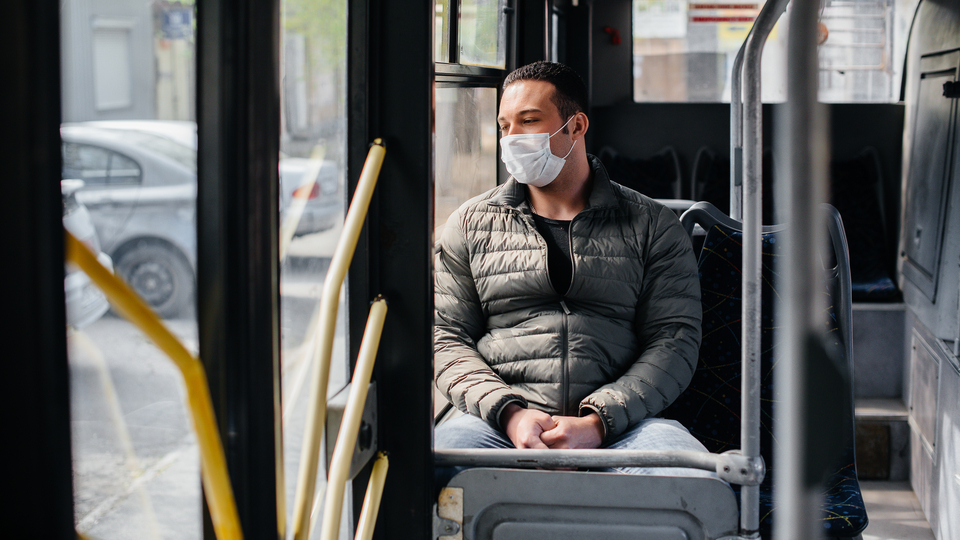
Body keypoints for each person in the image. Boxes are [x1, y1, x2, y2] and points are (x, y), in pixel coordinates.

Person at [434, 61, 710, 478]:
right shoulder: (470, 224)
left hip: (624, 426)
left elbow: (674, 339)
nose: (511, 140)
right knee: (418, 477)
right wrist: (510, 414)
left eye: (528, 121)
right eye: (504, 126)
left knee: (694, 486)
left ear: (576, 127)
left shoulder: (652, 226)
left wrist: (598, 422)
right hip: (495, 422)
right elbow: (445, 338)